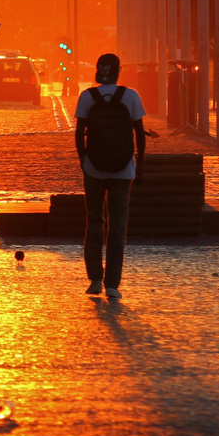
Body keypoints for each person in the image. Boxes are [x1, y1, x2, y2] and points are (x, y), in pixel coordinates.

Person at [74, 53, 146, 300]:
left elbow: (78, 132)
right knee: (118, 225)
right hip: (123, 169)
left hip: (93, 168)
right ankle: (113, 284)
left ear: (98, 71)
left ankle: (95, 279)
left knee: (94, 221)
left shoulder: (87, 96)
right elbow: (140, 134)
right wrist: (141, 167)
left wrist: (84, 160)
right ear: (118, 71)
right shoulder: (131, 96)